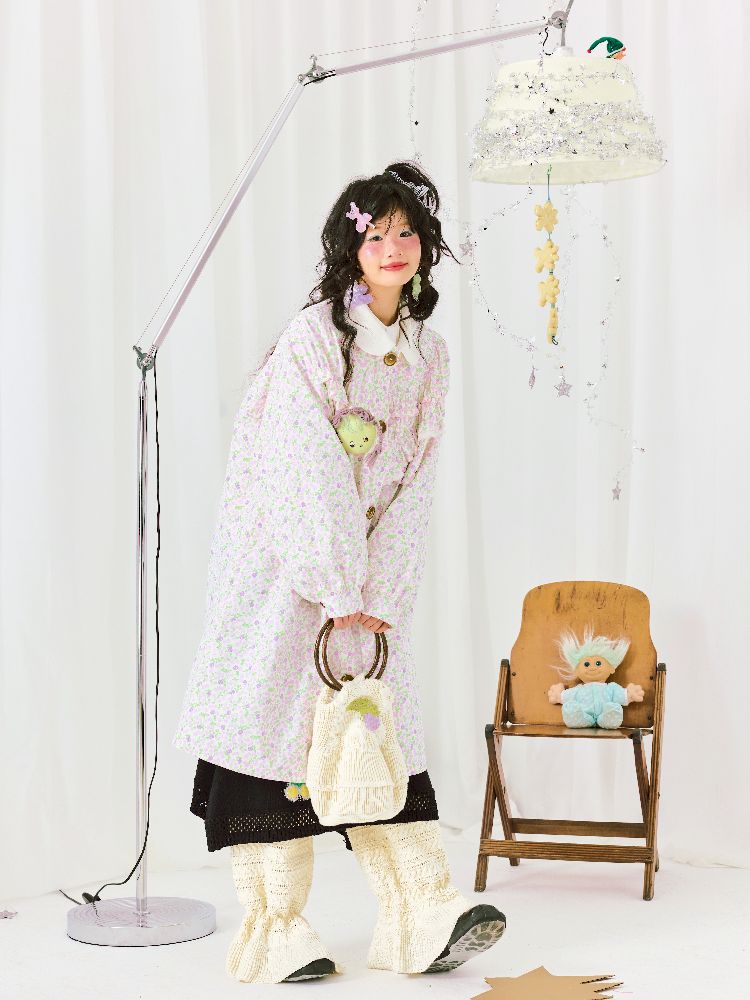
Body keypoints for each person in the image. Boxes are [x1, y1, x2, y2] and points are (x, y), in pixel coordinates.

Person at [172, 160, 506, 983]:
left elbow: (417, 479)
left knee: (378, 733)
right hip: (286, 569)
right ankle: (277, 930)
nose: (394, 246)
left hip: (363, 586)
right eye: (377, 233)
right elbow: (302, 467)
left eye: (408, 232)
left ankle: (422, 913)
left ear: (425, 247)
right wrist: (336, 582)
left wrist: (379, 591)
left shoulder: (430, 353)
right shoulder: (313, 339)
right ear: (350, 248)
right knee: (274, 735)